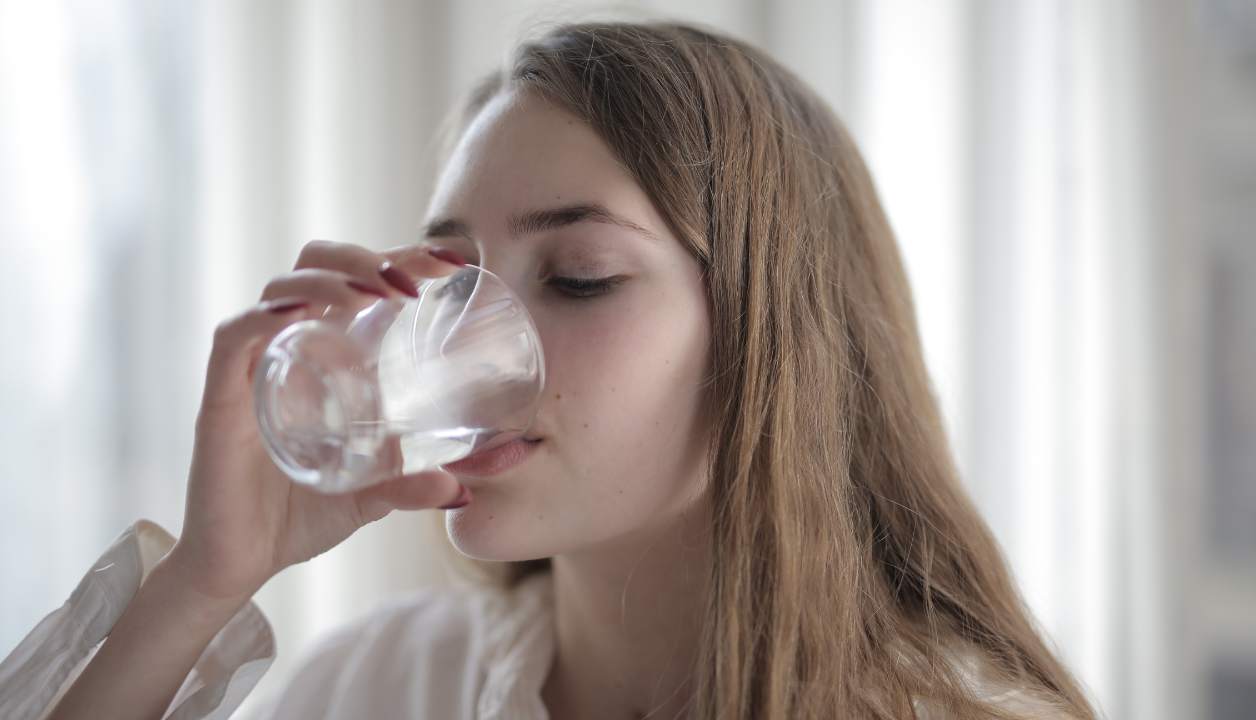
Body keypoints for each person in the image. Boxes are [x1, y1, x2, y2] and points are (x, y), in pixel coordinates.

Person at [0, 19, 1097, 720]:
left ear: (774, 338)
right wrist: (202, 582)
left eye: (575, 276)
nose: (461, 348)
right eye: (452, 280)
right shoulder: (390, 687)